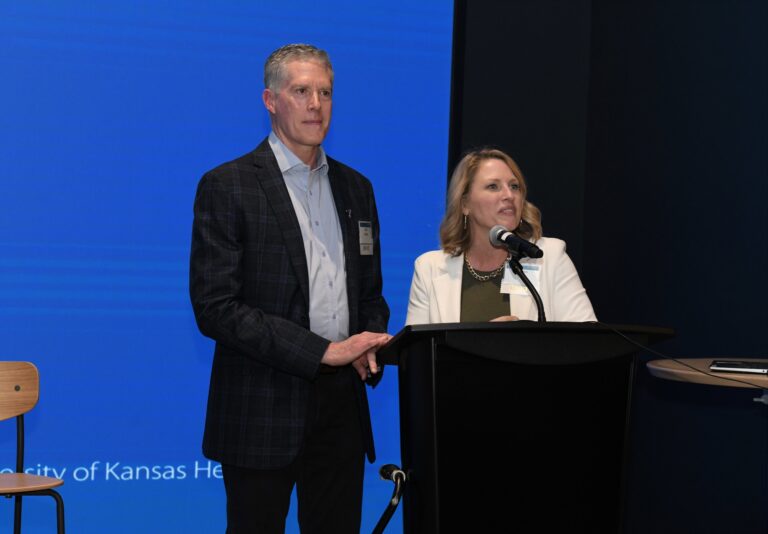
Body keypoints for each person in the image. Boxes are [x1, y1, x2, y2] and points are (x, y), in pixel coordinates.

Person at [189, 43, 391, 534]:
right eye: (301, 91)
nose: (315, 104)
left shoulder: (356, 187)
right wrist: (323, 351)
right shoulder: (228, 184)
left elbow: (370, 293)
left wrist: (369, 338)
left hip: (341, 408)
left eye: (325, 92)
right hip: (261, 407)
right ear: (270, 100)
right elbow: (216, 307)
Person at [406, 148, 595, 324]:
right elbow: (418, 356)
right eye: (493, 186)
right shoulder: (428, 269)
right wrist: (483, 344)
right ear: (465, 204)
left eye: (514, 186)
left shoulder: (549, 256)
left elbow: (585, 341)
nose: (509, 195)